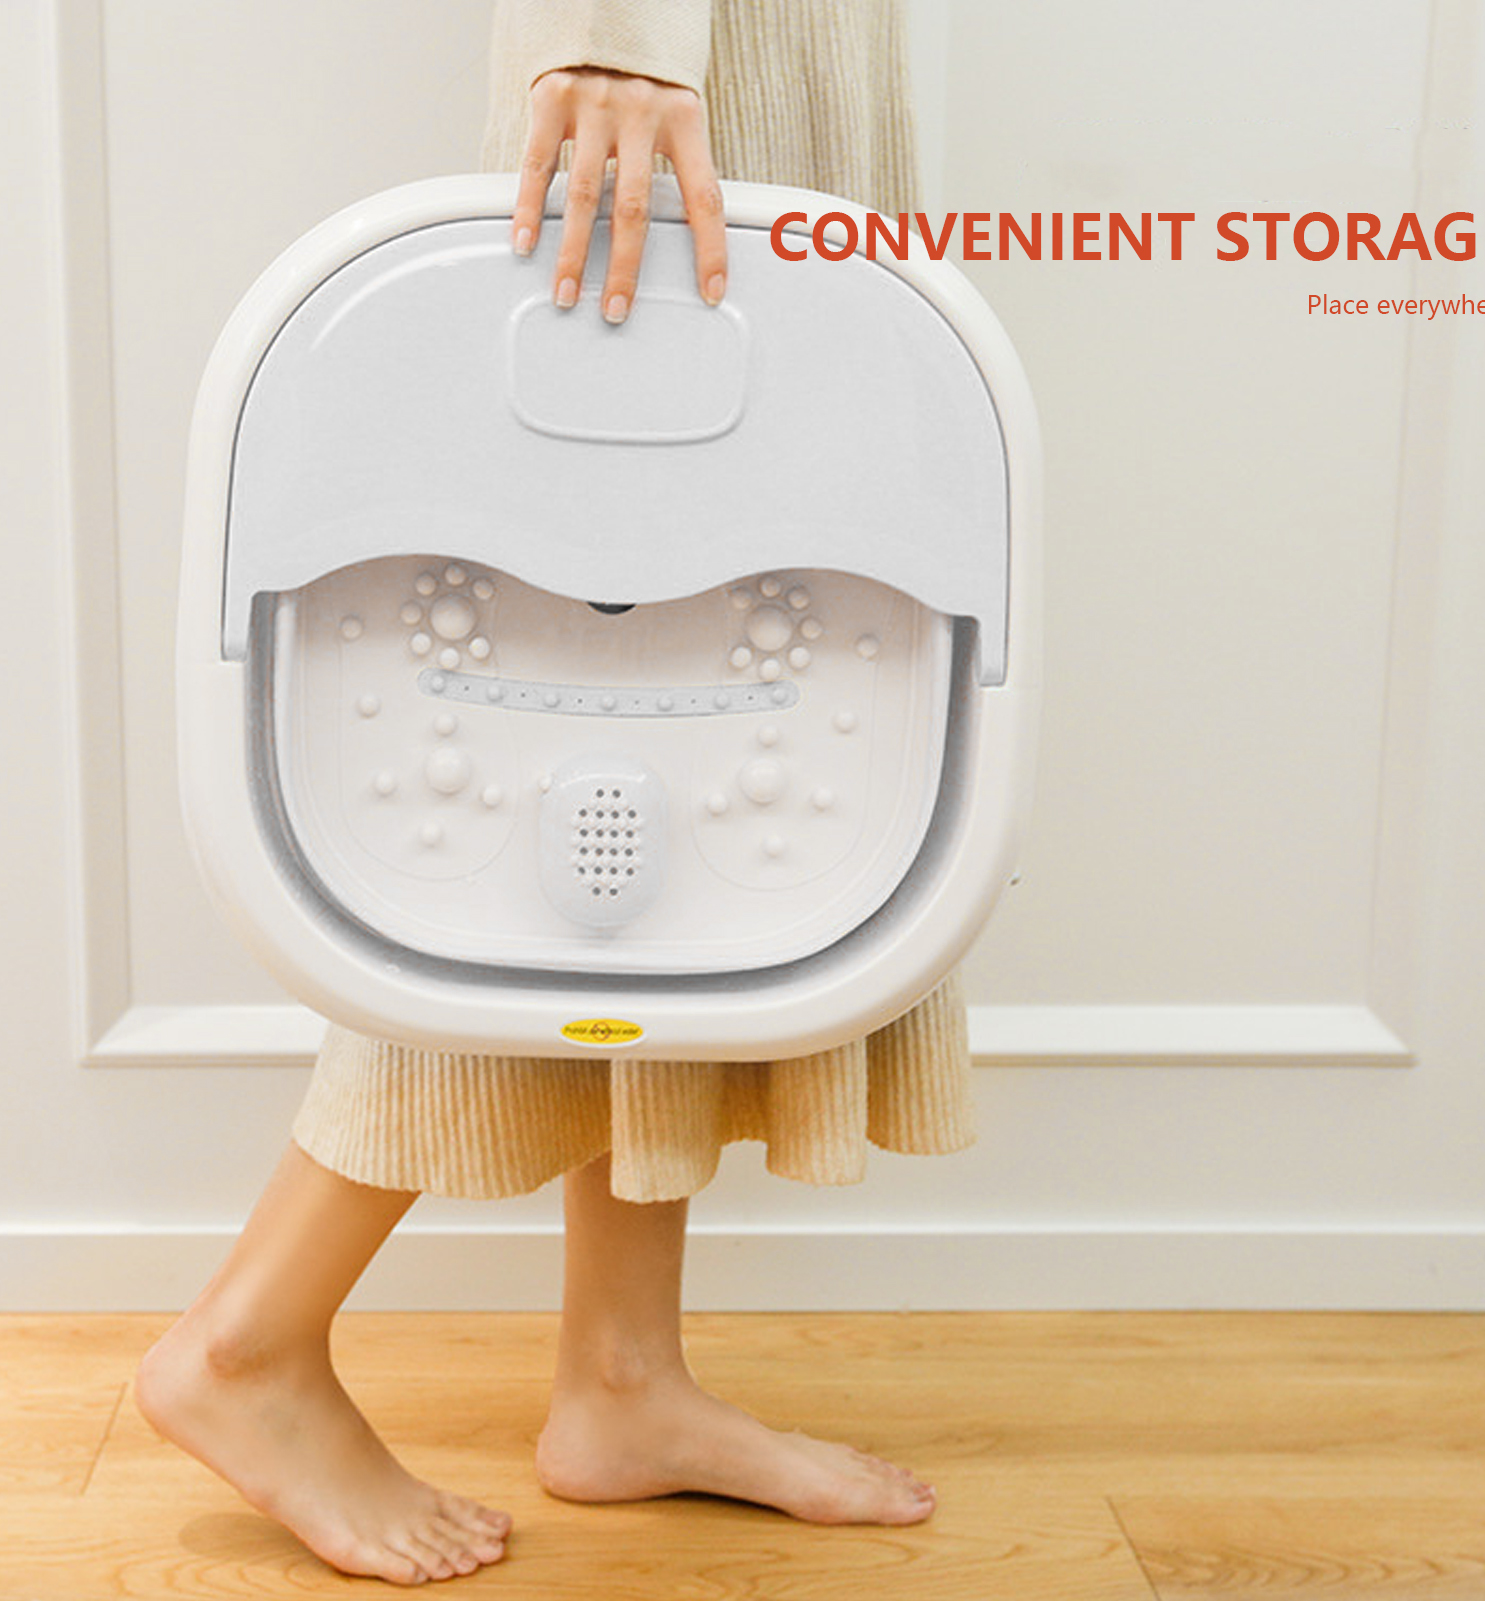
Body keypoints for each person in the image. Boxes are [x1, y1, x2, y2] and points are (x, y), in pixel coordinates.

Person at [137, 0, 974, 1585]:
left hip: (762, 71)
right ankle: (249, 1338)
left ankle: (622, 1375)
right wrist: (614, 37)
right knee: (543, 765)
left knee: (689, 747)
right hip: (686, 74)